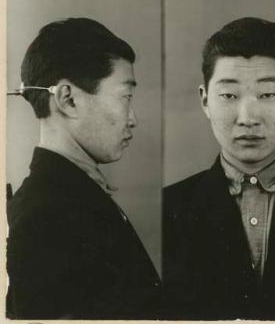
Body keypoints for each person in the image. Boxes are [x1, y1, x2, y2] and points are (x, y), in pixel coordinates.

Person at [162, 17, 275, 319]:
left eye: (267, 95)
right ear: (205, 101)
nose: (248, 117)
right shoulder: (169, 208)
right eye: (229, 95)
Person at [6, 18, 162, 319]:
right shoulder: (46, 215)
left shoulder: (66, 197)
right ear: (68, 99)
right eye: (125, 96)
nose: (133, 119)